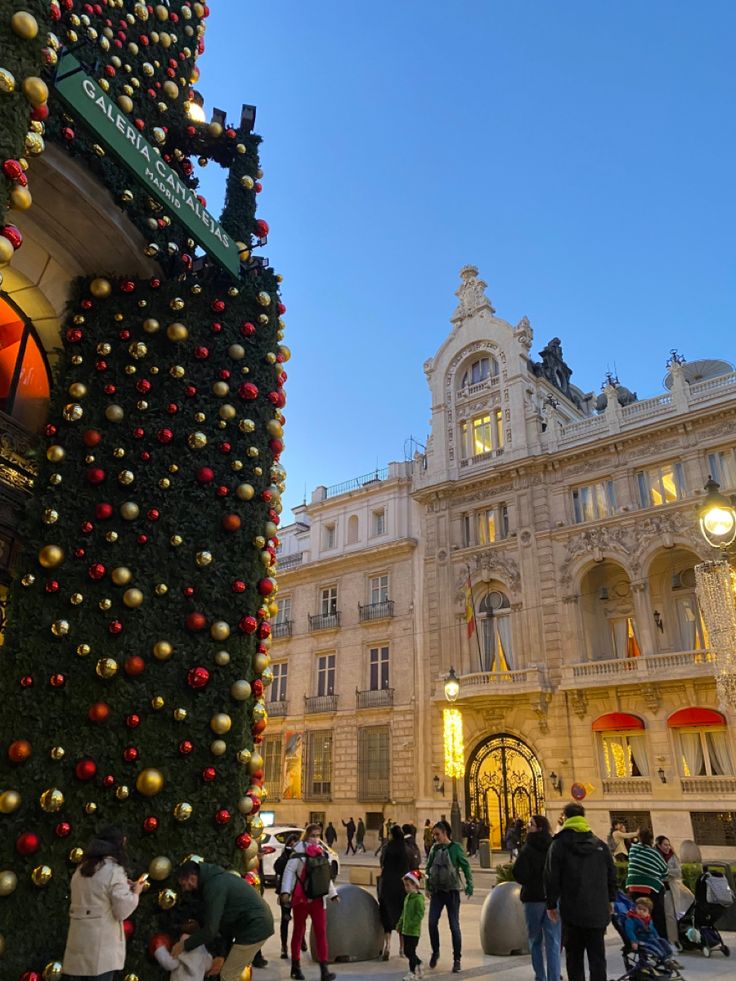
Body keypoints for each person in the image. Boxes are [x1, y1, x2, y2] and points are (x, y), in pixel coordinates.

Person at [544, 801, 616, 981]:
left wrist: (551, 903)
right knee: (598, 958)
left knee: (574, 958)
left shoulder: (559, 845)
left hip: (572, 911)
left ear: (566, 818)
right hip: (597, 911)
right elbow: (611, 874)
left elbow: (551, 876)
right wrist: (611, 900)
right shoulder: (600, 844)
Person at [62, 826, 146, 981]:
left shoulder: (81, 869)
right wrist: (135, 892)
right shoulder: (114, 870)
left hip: (77, 943)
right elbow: (121, 910)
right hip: (100, 950)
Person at [175, 860, 274, 981]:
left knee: (228, 976)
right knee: (230, 973)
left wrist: (184, 945)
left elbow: (211, 930)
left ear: (191, 878)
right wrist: (222, 955)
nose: (185, 889)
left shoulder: (214, 886)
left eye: (183, 885)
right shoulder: (216, 880)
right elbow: (225, 923)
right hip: (254, 925)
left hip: (255, 927)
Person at [281, 822, 340, 981]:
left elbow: (325, 877)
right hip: (301, 899)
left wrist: (333, 894)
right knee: (298, 931)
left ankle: (324, 970)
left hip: (318, 899)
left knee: (321, 932)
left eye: (318, 835)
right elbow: (288, 873)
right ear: (307, 836)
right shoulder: (298, 852)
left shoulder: (321, 853)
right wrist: (285, 892)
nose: (315, 839)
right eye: (313, 835)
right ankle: (295, 966)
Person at [513, 815, 561, 981]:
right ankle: (554, 977)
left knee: (535, 940)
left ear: (539, 827)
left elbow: (518, 873)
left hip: (533, 899)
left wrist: (530, 881)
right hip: (552, 900)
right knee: (553, 941)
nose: (528, 827)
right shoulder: (553, 846)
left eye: (531, 824)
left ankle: (540, 976)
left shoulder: (528, 848)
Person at [425, 819, 473, 973]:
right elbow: (428, 867)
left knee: (454, 926)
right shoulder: (434, 848)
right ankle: (435, 951)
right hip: (437, 892)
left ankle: (457, 959)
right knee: (432, 923)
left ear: (445, 833)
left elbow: (465, 866)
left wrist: (469, 884)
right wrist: (427, 886)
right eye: (434, 835)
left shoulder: (456, 848)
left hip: (452, 892)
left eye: (437, 834)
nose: (435, 837)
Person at [626, 828, 669, 940]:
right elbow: (665, 870)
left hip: (633, 887)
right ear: (651, 839)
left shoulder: (633, 849)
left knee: (637, 913)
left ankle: (638, 937)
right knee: (658, 914)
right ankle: (661, 939)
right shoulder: (653, 852)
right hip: (651, 887)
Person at [379, 825, 411, 960]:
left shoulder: (387, 848)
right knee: (401, 916)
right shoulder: (406, 849)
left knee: (386, 915)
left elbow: (382, 863)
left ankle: (387, 945)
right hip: (401, 885)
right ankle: (402, 949)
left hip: (387, 884)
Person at [623, 897, 678, 967]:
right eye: (639, 908)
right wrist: (634, 941)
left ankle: (669, 956)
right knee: (654, 945)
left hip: (650, 937)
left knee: (663, 942)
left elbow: (653, 929)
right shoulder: (632, 919)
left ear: (648, 912)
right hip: (640, 939)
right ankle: (663, 958)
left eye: (644, 910)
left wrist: (657, 937)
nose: (641, 911)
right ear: (635, 908)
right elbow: (629, 930)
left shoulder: (648, 919)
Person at [274, 832, 302, 959]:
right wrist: (287, 855)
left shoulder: (301, 856)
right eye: (290, 844)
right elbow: (278, 868)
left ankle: (302, 941)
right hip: (286, 893)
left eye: (294, 844)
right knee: (285, 919)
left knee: (299, 920)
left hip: (298, 892)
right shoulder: (285, 856)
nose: (292, 846)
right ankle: (284, 947)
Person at [397, 870, 426, 981]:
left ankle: (412, 972)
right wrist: (400, 924)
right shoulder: (407, 898)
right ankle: (418, 963)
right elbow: (404, 913)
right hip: (405, 930)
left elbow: (419, 914)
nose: (406, 888)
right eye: (405, 885)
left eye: (408, 885)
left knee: (410, 951)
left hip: (413, 931)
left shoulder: (418, 899)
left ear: (415, 885)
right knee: (407, 951)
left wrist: (412, 924)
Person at [655, 835, 682, 945]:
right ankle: (663, 940)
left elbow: (678, 872)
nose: (667, 847)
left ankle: (673, 940)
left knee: (671, 915)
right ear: (658, 845)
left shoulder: (672, 856)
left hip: (671, 890)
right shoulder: (655, 856)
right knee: (661, 916)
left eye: (668, 844)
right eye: (665, 845)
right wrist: (669, 873)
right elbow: (656, 873)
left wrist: (666, 871)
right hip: (658, 890)